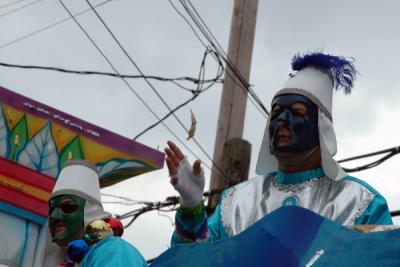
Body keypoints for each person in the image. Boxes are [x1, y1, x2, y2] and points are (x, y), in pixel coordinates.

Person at [165, 52, 393, 244]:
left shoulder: (360, 202)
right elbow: (195, 261)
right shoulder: (236, 202)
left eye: (297, 113)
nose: (281, 120)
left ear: (321, 127)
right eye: (275, 114)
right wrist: (192, 207)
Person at [43, 160, 147, 266]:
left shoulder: (112, 249)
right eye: (51, 210)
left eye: (67, 206)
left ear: (89, 211)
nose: (53, 216)